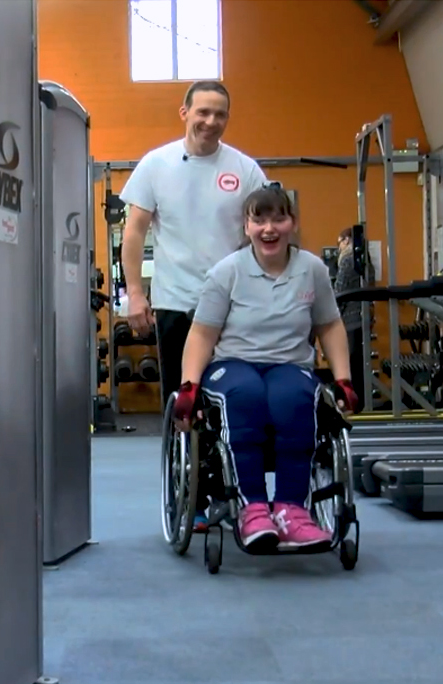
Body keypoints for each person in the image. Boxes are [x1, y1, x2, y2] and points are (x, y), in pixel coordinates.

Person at [172, 186, 359, 553]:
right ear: (246, 226)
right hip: (232, 364)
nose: (269, 228)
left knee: (294, 398)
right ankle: (253, 508)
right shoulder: (226, 273)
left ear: (293, 223)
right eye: (259, 219)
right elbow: (202, 333)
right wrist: (189, 387)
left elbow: (329, 326)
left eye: (278, 218)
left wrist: (343, 379)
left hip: (288, 364)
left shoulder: (312, 270)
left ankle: (291, 510)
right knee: (245, 395)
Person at [118, 81, 268, 410]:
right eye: (203, 112)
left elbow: (266, 231)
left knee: (236, 394)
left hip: (233, 303)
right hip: (176, 303)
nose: (211, 121)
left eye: (220, 114)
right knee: (182, 400)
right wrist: (135, 293)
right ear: (184, 113)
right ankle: (185, 458)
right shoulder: (156, 164)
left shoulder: (245, 169)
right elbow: (134, 232)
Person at [334, 228, 366, 404]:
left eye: (339, 242)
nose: (338, 247)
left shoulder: (347, 259)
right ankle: (361, 399)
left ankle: (353, 401)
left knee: (351, 362)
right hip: (363, 316)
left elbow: (341, 290)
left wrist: (330, 315)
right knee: (359, 362)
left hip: (350, 320)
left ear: (346, 240)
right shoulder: (364, 257)